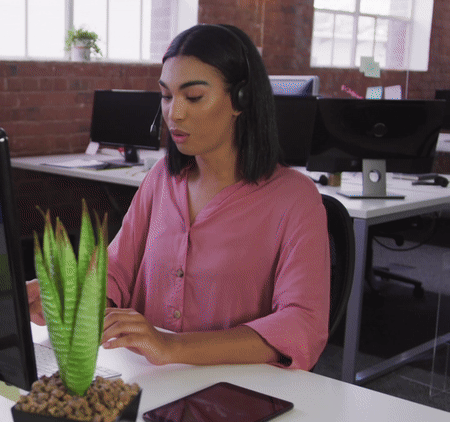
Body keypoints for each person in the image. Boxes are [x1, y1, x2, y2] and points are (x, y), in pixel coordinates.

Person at [27, 24, 330, 371]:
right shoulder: (161, 179)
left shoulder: (295, 199)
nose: (175, 114)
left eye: (194, 97)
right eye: (167, 96)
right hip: (150, 382)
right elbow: (117, 269)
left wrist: (172, 346)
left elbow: (302, 324)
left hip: (236, 393)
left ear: (241, 100)